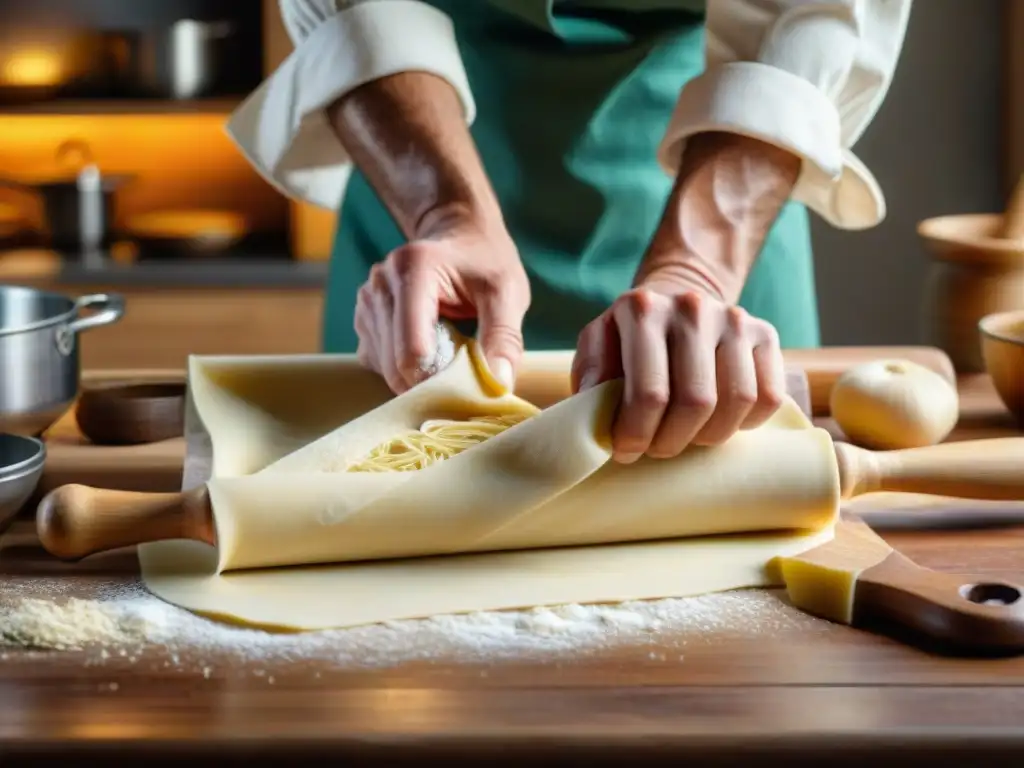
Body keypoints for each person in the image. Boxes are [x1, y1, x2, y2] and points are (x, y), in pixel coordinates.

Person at [228, 0, 912, 463]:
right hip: (420, 162)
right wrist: (444, 212)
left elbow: (818, 15)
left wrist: (694, 271)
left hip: (724, 163)